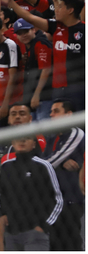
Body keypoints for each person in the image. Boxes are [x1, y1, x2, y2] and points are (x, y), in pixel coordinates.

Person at [0, 105, 64, 251]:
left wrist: (43, 226)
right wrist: (1, 214)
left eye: (27, 138)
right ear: (13, 142)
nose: (22, 141)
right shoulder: (6, 166)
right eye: (18, 139)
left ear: (34, 144)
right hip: (11, 232)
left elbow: (57, 199)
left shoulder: (43, 166)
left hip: (35, 232)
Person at [7, 0, 85, 111]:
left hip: (78, 88)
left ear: (70, 10)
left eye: (60, 7)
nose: (57, 9)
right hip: (57, 89)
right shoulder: (55, 26)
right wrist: (10, 2)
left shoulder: (84, 30)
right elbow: (29, 18)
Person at [43, 100, 85, 251]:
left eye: (56, 111)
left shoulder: (77, 133)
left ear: (69, 115)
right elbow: (46, 162)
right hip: (53, 201)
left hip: (71, 200)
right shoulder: (52, 138)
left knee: (71, 244)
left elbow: (45, 164)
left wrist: (57, 162)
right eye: (51, 111)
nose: (51, 114)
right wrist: (60, 162)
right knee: (54, 244)